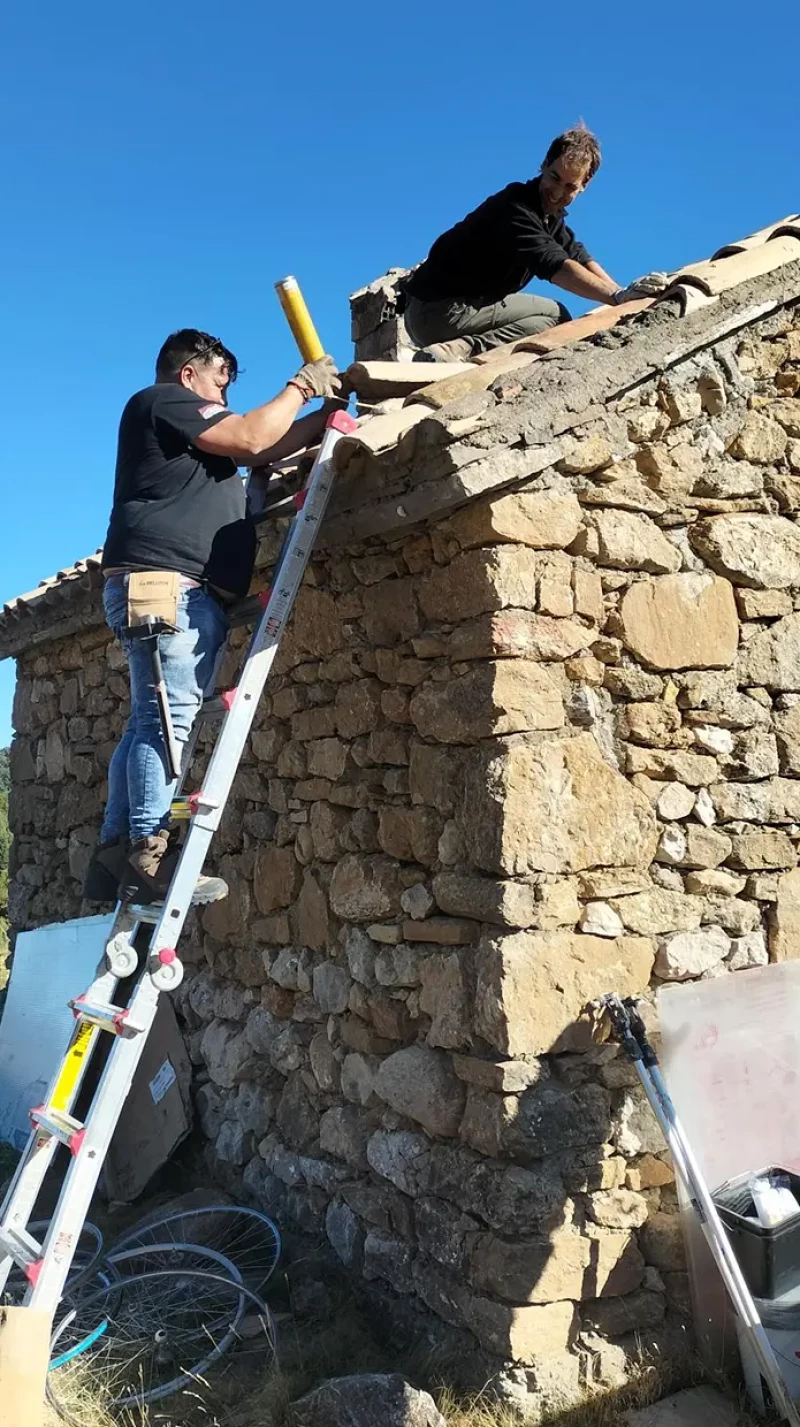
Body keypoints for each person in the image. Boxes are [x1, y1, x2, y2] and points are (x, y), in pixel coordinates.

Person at [83, 328, 342, 907]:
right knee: (166, 723)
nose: (224, 391)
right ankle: (148, 856)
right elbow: (253, 438)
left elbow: (267, 444)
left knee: (147, 722)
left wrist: (327, 417)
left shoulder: (193, 441)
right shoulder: (163, 401)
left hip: (168, 587)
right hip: (168, 585)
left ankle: (113, 855)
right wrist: (302, 384)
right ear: (188, 374)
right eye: (220, 377)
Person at [400, 125, 668, 360]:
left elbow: (577, 255)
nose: (558, 193)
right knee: (555, 317)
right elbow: (559, 267)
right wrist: (617, 296)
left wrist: (621, 293)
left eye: (570, 187)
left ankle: (456, 347)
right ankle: (461, 350)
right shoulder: (516, 208)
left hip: (436, 312)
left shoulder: (549, 217)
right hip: (438, 313)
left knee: (551, 312)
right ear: (543, 165)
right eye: (554, 178)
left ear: (584, 186)